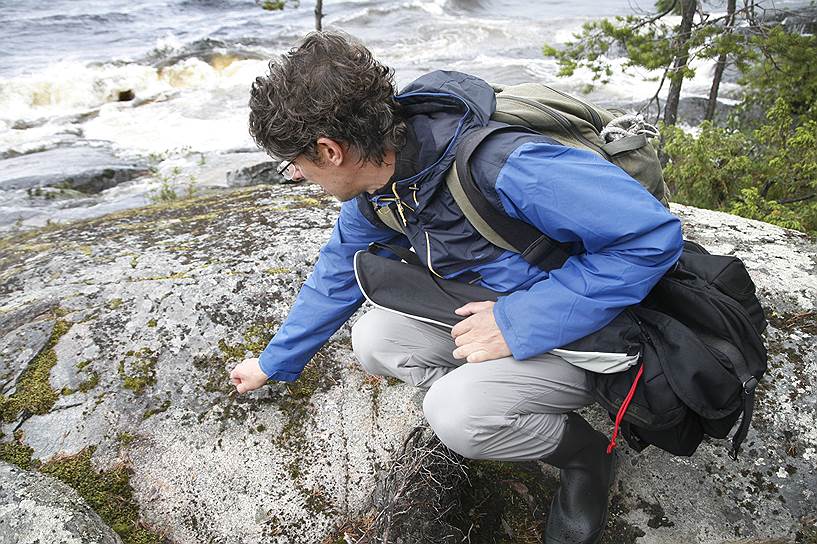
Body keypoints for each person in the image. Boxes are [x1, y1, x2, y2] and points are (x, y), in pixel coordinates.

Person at [230, 30, 683, 544]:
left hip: (594, 332)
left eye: (296, 162)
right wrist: (274, 362)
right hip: (505, 311)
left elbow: (649, 239)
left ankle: (586, 457)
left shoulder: (504, 165)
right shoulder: (389, 182)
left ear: (330, 150)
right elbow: (337, 269)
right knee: (375, 340)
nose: (297, 175)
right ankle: (507, 407)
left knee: (455, 414)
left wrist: (515, 324)